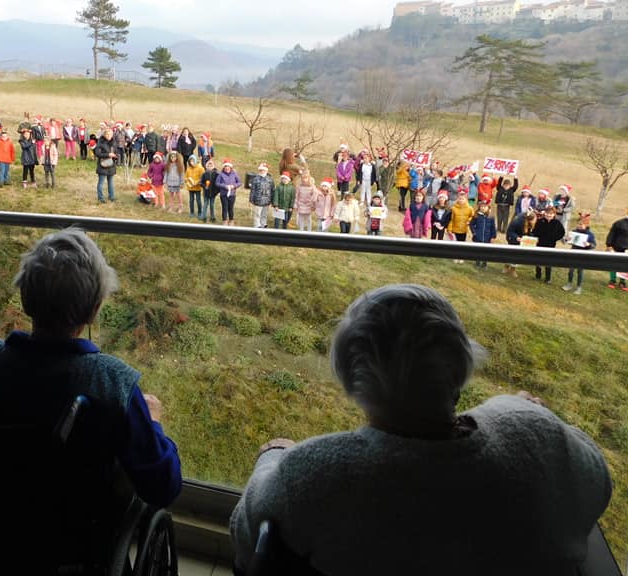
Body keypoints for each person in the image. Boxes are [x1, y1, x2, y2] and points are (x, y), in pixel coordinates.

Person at [230, 284, 611, 576]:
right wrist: (531, 416)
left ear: (348, 374)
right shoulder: (530, 428)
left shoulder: (312, 472)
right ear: (461, 363)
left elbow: (246, 533)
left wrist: (274, 456)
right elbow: (597, 482)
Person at [0, 229, 182, 510]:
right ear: (95, 309)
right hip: (75, 540)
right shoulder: (113, 384)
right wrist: (153, 423)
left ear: (25, 298)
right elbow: (164, 487)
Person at [563, 212, 595, 295]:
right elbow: (566, 241)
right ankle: (569, 284)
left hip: (583, 255)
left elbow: (593, 245)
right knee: (571, 270)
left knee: (580, 271)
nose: (579, 226)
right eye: (578, 224)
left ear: (586, 225)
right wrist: (567, 239)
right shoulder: (574, 232)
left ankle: (579, 287)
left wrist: (589, 245)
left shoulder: (590, 234)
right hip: (574, 253)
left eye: (581, 224)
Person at [532, 207, 566, 283]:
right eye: (547, 213)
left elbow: (562, 233)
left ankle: (548, 278)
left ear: (554, 214)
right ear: (545, 213)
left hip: (550, 245)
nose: (548, 215)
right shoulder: (540, 221)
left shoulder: (557, 223)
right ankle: (538, 275)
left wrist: (555, 238)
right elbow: (535, 231)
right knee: (538, 261)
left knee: (548, 262)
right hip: (540, 244)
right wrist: (536, 237)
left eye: (551, 214)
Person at [604, 205, 628, 291]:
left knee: (625, 267)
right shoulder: (619, 223)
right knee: (614, 265)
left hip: (627, 251)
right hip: (617, 247)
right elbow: (612, 234)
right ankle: (612, 280)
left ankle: (622, 282)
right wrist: (609, 245)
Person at [93, 125, 119, 203]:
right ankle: (100, 198)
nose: (109, 136)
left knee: (111, 182)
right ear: (104, 135)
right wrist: (108, 155)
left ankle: (112, 196)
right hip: (102, 165)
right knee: (101, 182)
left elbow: (116, 152)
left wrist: (115, 156)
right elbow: (97, 153)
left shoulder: (114, 142)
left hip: (111, 165)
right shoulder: (100, 142)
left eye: (110, 134)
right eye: (107, 134)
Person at [469, 201, 497, 268]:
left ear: (488, 208)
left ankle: (484, 264)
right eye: (482, 206)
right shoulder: (476, 216)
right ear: (479, 207)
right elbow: (471, 224)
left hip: (487, 237)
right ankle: (477, 263)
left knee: (486, 251)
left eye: (485, 206)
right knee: (478, 250)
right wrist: (474, 232)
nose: (483, 208)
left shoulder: (491, 217)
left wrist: (493, 236)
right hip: (478, 236)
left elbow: (493, 227)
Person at [216, 160, 242, 226]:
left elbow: (239, 182)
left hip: (232, 194)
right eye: (225, 167)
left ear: (230, 168)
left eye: (228, 167)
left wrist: (234, 186)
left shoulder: (234, 174)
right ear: (224, 168)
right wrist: (225, 186)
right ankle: (224, 221)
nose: (227, 168)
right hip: (224, 194)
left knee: (231, 208)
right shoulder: (220, 175)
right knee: (225, 207)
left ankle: (231, 220)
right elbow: (217, 183)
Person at [249, 163, 274, 228]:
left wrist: (272, 200)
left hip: (267, 200)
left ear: (266, 170)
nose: (262, 171)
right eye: (261, 170)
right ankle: (257, 225)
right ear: (259, 170)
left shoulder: (270, 179)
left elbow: (272, 190)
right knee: (257, 214)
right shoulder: (255, 179)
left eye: (264, 170)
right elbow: (252, 190)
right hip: (258, 200)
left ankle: (263, 224)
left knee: (264, 214)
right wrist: (251, 200)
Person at [185, 155, 204, 219]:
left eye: (193, 161)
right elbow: (186, 177)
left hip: (197, 187)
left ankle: (200, 212)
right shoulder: (188, 168)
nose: (191, 162)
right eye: (190, 161)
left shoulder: (200, 168)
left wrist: (197, 182)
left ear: (196, 160)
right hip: (190, 188)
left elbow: (202, 178)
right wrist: (187, 181)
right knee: (191, 200)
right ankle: (192, 212)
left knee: (198, 200)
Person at [199, 159, 219, 223]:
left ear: (213, 166)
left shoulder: (216, 174)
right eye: (208, 166)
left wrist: (216, 191)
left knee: (212, 205)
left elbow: (217, 183)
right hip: (206, 192)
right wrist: (205, 186)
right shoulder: (204, 174)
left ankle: (212, 217)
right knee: (205, 204)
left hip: (213, 193)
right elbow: (201, 182)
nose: (210, 167)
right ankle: (203, 217)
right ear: (206, 166)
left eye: (211, 166)